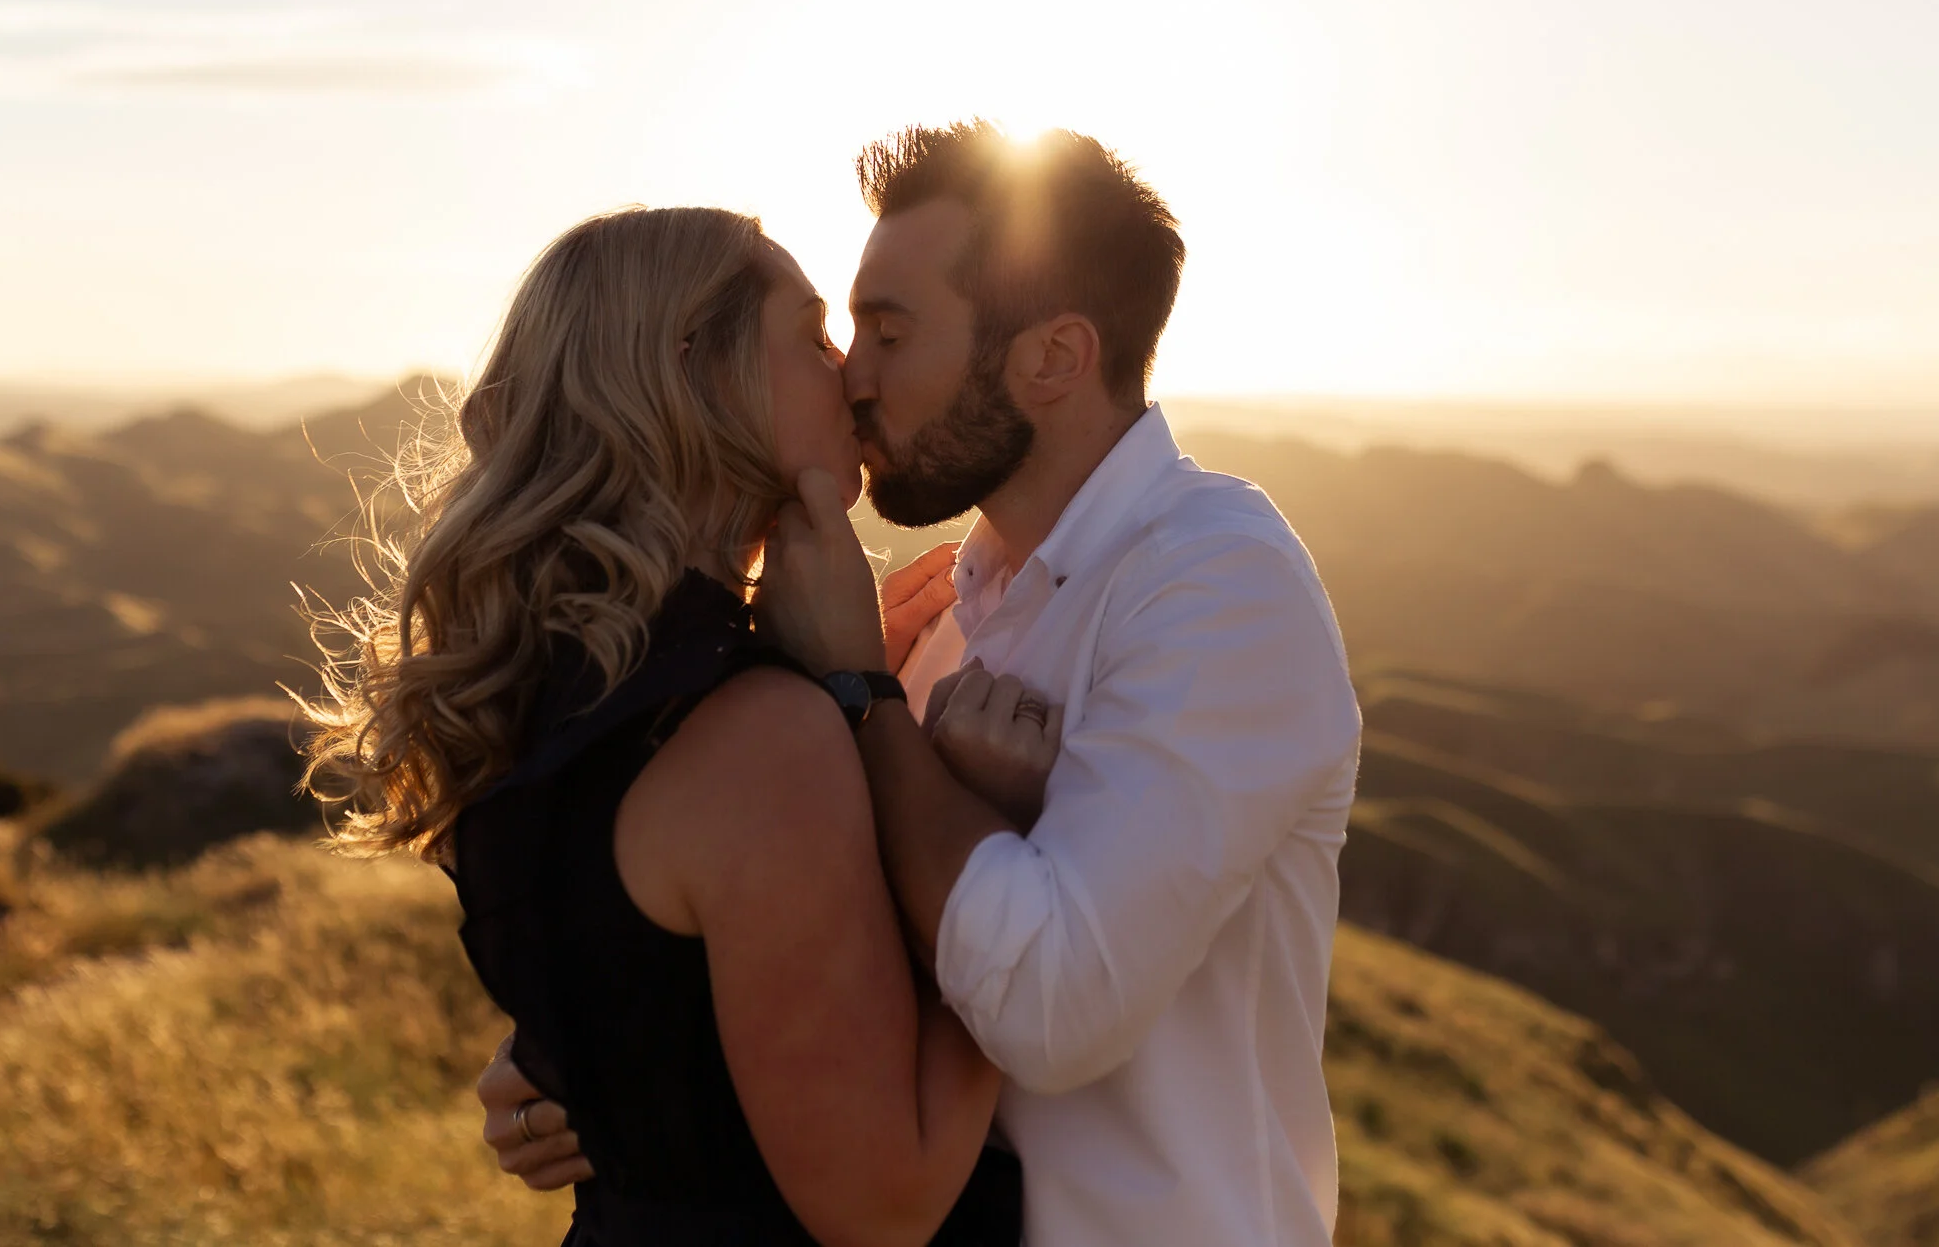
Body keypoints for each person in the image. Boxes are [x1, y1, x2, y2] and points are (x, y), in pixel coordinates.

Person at [485, 124, 1365, 1246]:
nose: (852, 375)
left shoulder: (1218, 582)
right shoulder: (942, 608)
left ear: (1051, 357)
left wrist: (863, 698)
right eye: (845, 331)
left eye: (887, 333)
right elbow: (805, 935)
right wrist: (598, 1044)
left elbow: (1049, 1006)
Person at [302, 206, 1030, 1247]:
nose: (848, 372)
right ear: (696, 371)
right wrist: (993, 828)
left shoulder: (534, 686)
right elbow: (886, 1201)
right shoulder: (752, 735)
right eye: (809, 332)